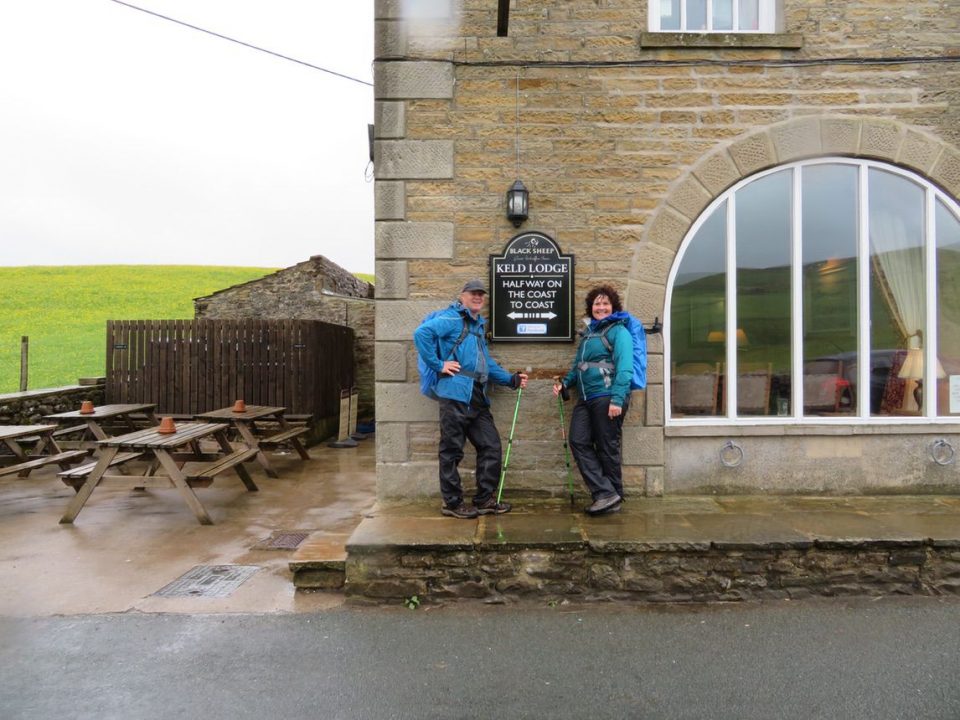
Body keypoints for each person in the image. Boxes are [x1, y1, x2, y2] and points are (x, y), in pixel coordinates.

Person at [414, 279, 529, 519]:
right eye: (473, 294)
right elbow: (421, 333)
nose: (478, 297)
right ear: (462, 296)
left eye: (481, 294)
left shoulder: (477, 327)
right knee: (451, 451)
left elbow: (486, 364)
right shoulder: (453, 318)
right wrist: (438, 364)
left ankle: (484, 499)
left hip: (477, 396)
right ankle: (452, 503)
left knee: (490, 445)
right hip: (454, 394)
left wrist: (511, 379)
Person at [553, 284, 633, 515]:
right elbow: (578, 366)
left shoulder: (620, 332)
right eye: (597, 304)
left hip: (607, 396)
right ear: (591, 307)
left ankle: (613, 497)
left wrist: (617, 400)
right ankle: (606, 493)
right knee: (578, 441)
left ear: (613, 307)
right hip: (587, 398)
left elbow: (625, 368)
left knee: (608, 448)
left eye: (605, 303)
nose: (601, 307)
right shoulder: (588, 334)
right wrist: (565, 383)